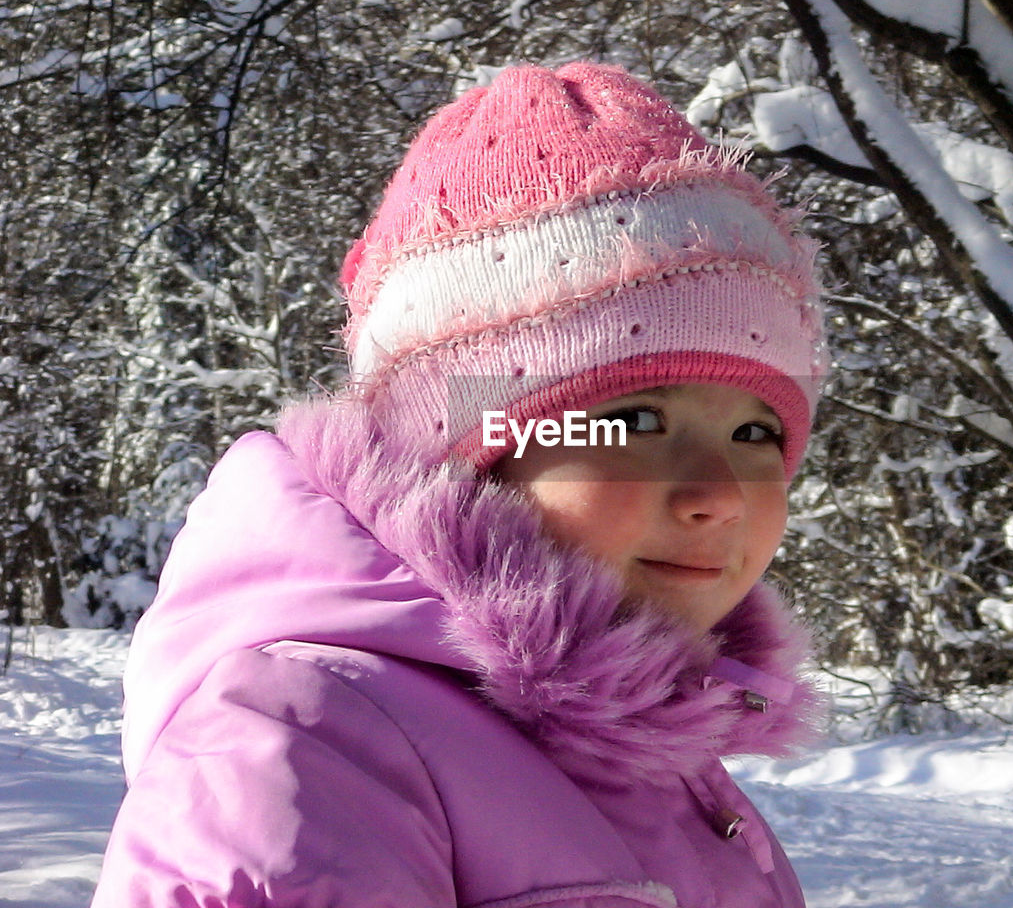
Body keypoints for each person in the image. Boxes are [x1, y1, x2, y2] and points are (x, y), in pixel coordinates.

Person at [93, 62, 829, 907]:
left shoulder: (663, 770)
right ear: (467, 452)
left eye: (754, 433)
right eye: (631, 423)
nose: (721, 493)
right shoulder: (312, 739)